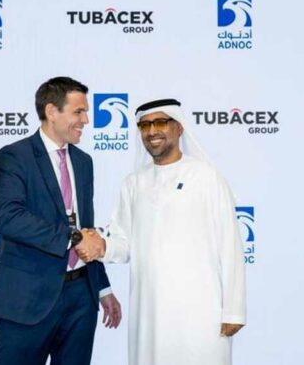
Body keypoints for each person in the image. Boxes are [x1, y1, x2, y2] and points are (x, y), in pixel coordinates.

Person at [75, 98, 246, 365]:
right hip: (149, 313)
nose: (152, 131)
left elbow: (230, 246)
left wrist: (234, 311)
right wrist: (102, 247)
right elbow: (123, 242)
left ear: (179, 127)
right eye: (144, 125)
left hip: (201, 311)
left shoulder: (206, 177)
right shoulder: (133, 183)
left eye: (160, 122)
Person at [0, 76, 122, 365]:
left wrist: (102, 288)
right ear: (51, 111)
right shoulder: (15, 156)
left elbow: (85, 227)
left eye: (85, 112)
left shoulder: (83, 162)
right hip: (27, 299)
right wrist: (73, 238)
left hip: (81, 299)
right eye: (78, 112)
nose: (86, 120)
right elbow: (10, 218)